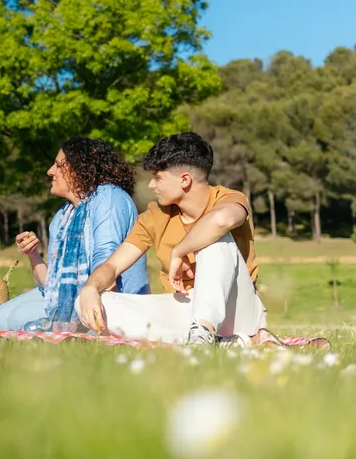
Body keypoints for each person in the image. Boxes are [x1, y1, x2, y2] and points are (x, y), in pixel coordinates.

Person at [76, 132, 267, 345]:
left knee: (214, 238)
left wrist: (180, 250)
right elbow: (112, 265)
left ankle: (205, 333)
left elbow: (221, 220)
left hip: (237, 310)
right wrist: (91, 287)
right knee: (91, 302)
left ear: (185, 179)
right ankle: (216, 343)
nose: (151, 185)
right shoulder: (154, 215)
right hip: (184, 307)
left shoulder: (229, 199)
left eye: (158, 178)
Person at [0, 137, 150, 332]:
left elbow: (106, 263)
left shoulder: (109, 198)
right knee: (1, 316)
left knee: (17, 318)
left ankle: (68, 332)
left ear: (80, 168)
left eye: (58, 165)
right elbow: (52, 283)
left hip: (113, 297)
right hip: (69, 296)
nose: (50, 171)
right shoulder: (62, 217)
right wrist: (33, 254)